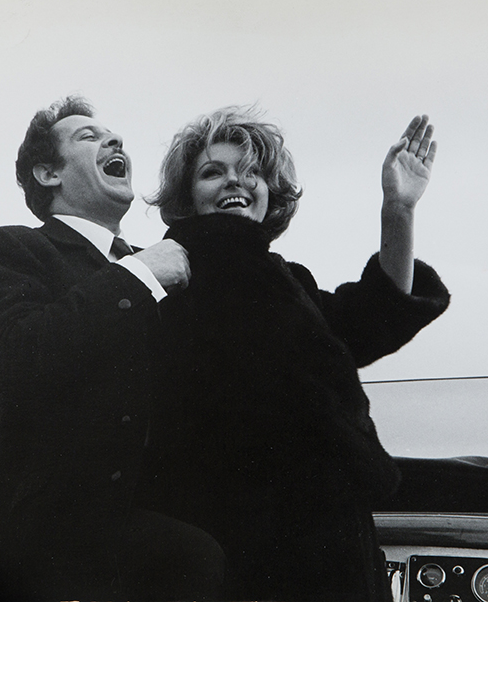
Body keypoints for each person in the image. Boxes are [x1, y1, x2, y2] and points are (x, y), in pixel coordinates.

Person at [137, 106, 451, 601]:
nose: (234, 181)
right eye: (212, 172)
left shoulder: (289, 280)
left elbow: (374, 316)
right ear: (186, 197)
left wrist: (399, 209)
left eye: (251, 171)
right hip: (242, 548)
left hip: (334, 535)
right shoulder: (167, 279)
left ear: (270, 192)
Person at [0, 95, 227, 601]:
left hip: (156, 532)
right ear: (48, 174)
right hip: (48, 555)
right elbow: (13, 357)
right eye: (89, 136)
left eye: (113, 135)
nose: (114, 139)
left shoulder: (168, 266)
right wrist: (139, 274)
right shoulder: (10, 248)